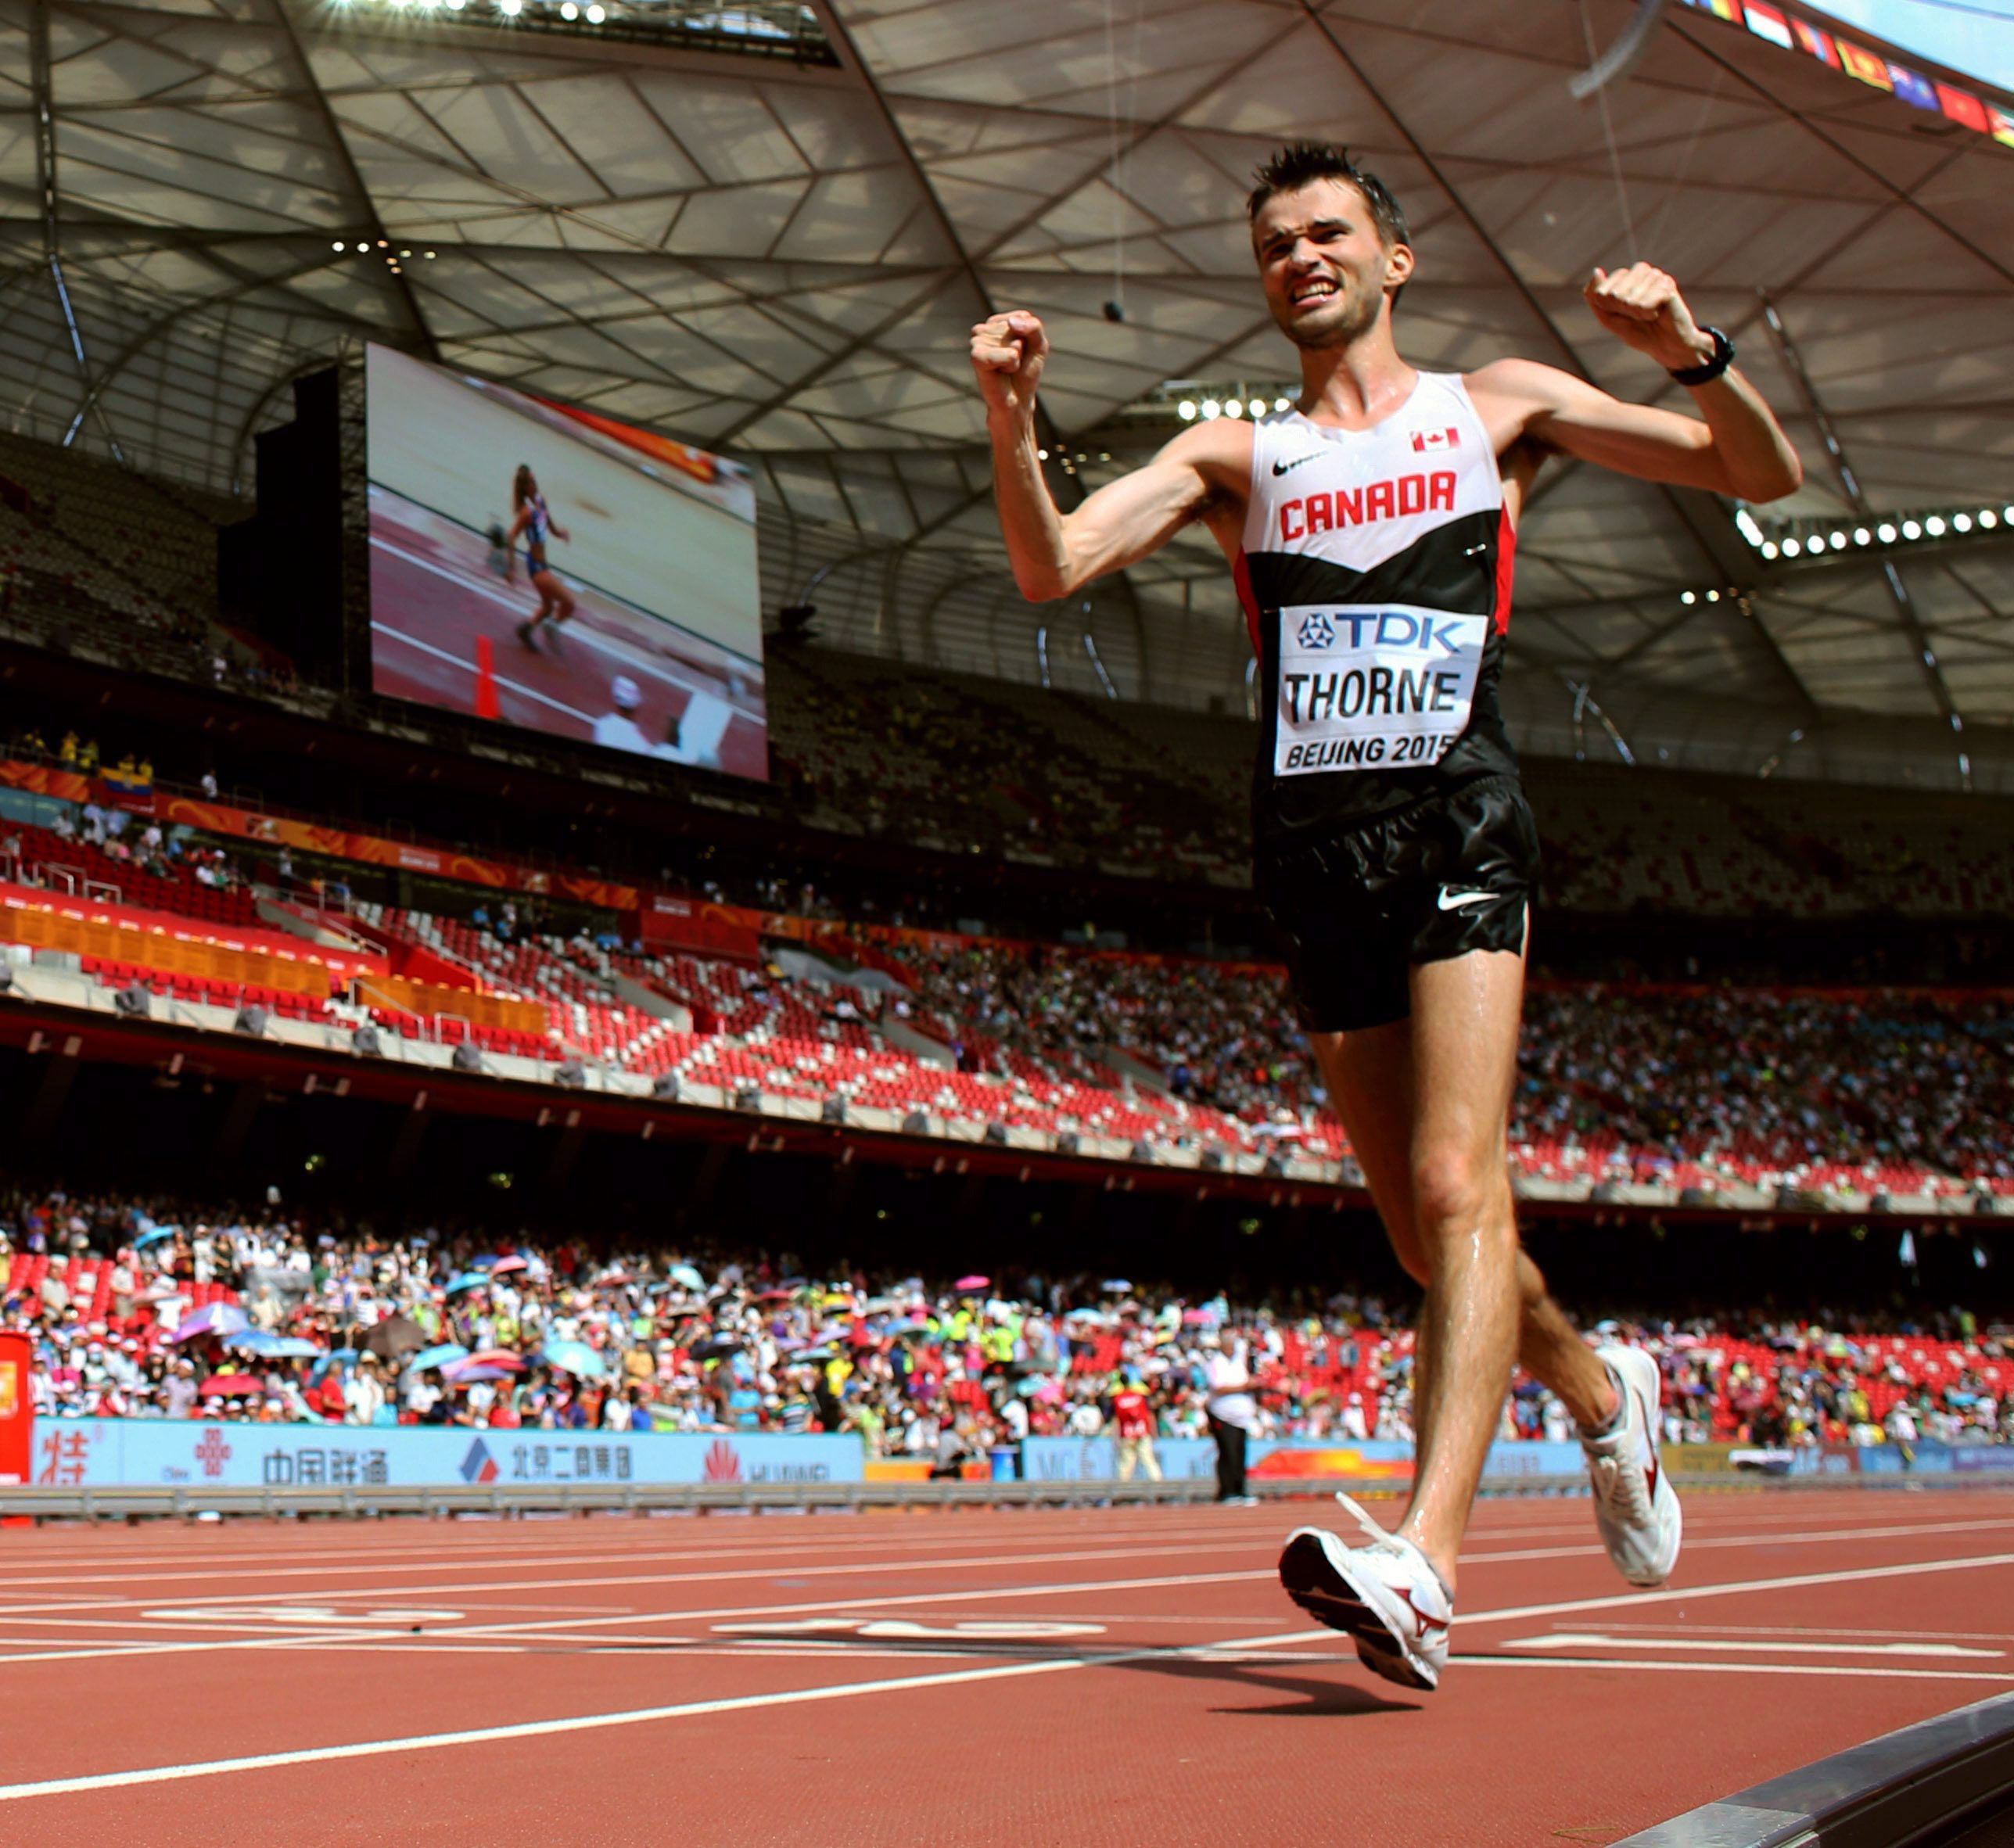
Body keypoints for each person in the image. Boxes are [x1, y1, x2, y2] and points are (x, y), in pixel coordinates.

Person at [969, 142, 1801, 1692]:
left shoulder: (1496, 405)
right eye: (1276, 241)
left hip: (1457, 814)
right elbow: (1051, 562)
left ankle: (1423, 1560)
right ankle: (1604, 1388)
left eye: (1329, 231)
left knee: (1452, 1174)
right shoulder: (1234, 453)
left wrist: (1690, 345)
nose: (1301, 255)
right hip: (1312, 843)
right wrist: (1013, 418)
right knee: (1432, 1241)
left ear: (1392, 258)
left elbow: (1760, 475)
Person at [508, 464, 576, 651]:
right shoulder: (526, 513)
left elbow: (549, 525)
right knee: (569, 603)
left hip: (543, 563)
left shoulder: (540, 501)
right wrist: (511, 568)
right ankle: (551, 627)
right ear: (524, 487)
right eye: (530, 482)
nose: (534, 484)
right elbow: (511, 536)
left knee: (547, 607)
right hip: (536, 567)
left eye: (534, 480)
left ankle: (525, 630)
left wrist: (559, 533)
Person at [1202, 1335, 1258, 1506]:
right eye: (1229, 1346)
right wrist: (1244, 1387)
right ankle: (1227, 1491)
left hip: (1241, 1417)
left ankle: (1241, 1490)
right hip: (1222, 1415)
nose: (1232, 1349)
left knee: (1240, 1453)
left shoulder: (1238, 1362)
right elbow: (1219, 1386)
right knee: (1228, 1452)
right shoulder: (1216, 1363)